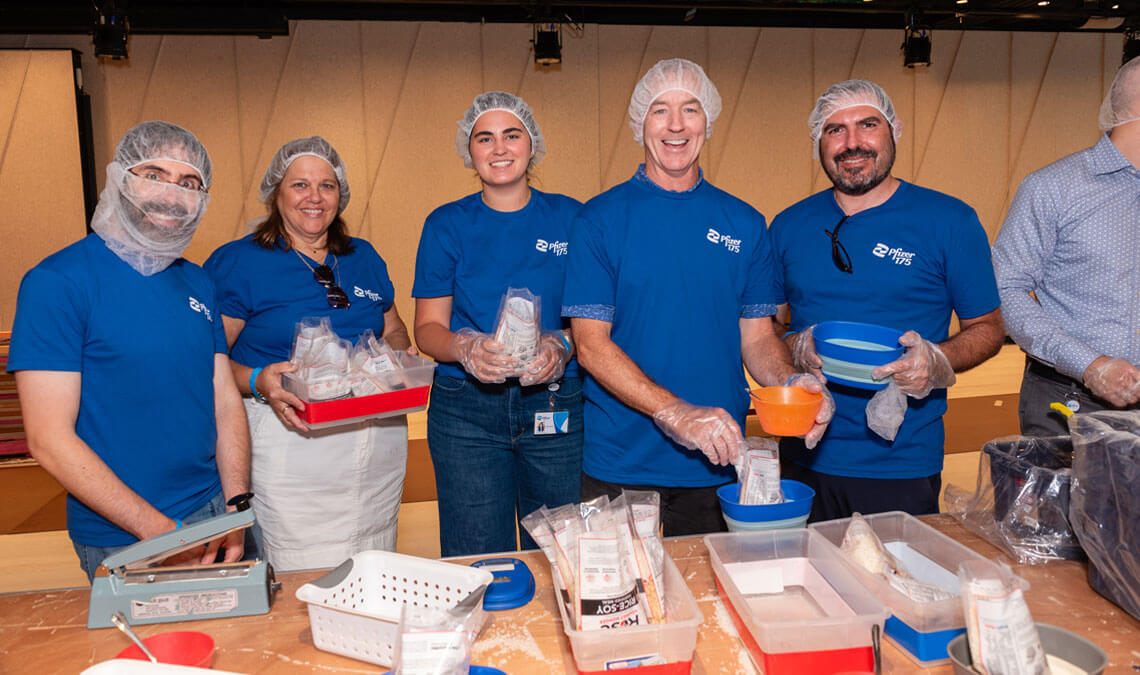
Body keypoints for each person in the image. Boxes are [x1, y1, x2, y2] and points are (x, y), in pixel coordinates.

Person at [561, 58, 831, 536]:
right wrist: (674, 412)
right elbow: (591, 346)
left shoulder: (744, 223)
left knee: (713, 603)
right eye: (660, 111)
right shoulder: (598, 221)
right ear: (639, 123)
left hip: (715, 461)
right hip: (621, 462)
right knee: (620, 606)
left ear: (708, 122)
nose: (676, 125)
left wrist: (792, 383)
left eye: (690, 109)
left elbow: (756, 338)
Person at [9, 121, 252, 580]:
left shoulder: (198, 280)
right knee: (149, 651)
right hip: (122, 532)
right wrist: (159, 531)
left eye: (188, 183)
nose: (170, 194)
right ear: (120, 179)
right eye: (153, 175)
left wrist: (237, 502)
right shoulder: (57, 282)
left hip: (214, 513)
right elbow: (48, 438)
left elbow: (223, 398)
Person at [771, 79, 1004, 522]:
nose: (852, 142)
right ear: (818, 141)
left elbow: (989, 328)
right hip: (804, 453)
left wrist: (936, 358)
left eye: (867, 125)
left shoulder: (950, 221)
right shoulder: (788, 226)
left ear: (893, 130)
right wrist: (793, 347)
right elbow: (770, 330)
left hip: (901, 462)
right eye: (835, 130)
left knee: (892, 587)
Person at [204, 136, 412, 571]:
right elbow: (207, 360)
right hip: (291, 439)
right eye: (300, 185)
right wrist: (259, 379)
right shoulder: (239, 263)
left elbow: (394, 330)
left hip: (376, 442)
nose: (314, 197)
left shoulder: (362, 257)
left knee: (373, 563)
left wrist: (391, 359)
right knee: (300, 571)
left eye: (327, 186)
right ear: (275, 194)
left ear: (341, 195)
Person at [413, 92, 583, 557]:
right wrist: (465, 348)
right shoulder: (446, 224)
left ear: (532, 145)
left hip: (554, 400)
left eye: (512, 135)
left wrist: (563, 345)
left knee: (560, 551)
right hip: (465, 410)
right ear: (470, 152)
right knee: (477, 558)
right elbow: (428, 328)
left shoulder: (572, 218)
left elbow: (597, 317)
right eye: (484, 138)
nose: (499, 148)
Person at [992, 57, 1140, 435]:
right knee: (1072, 497)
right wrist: (1090, 365)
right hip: (1071, 400)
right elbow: (1004, 289)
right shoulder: (1055, 188)